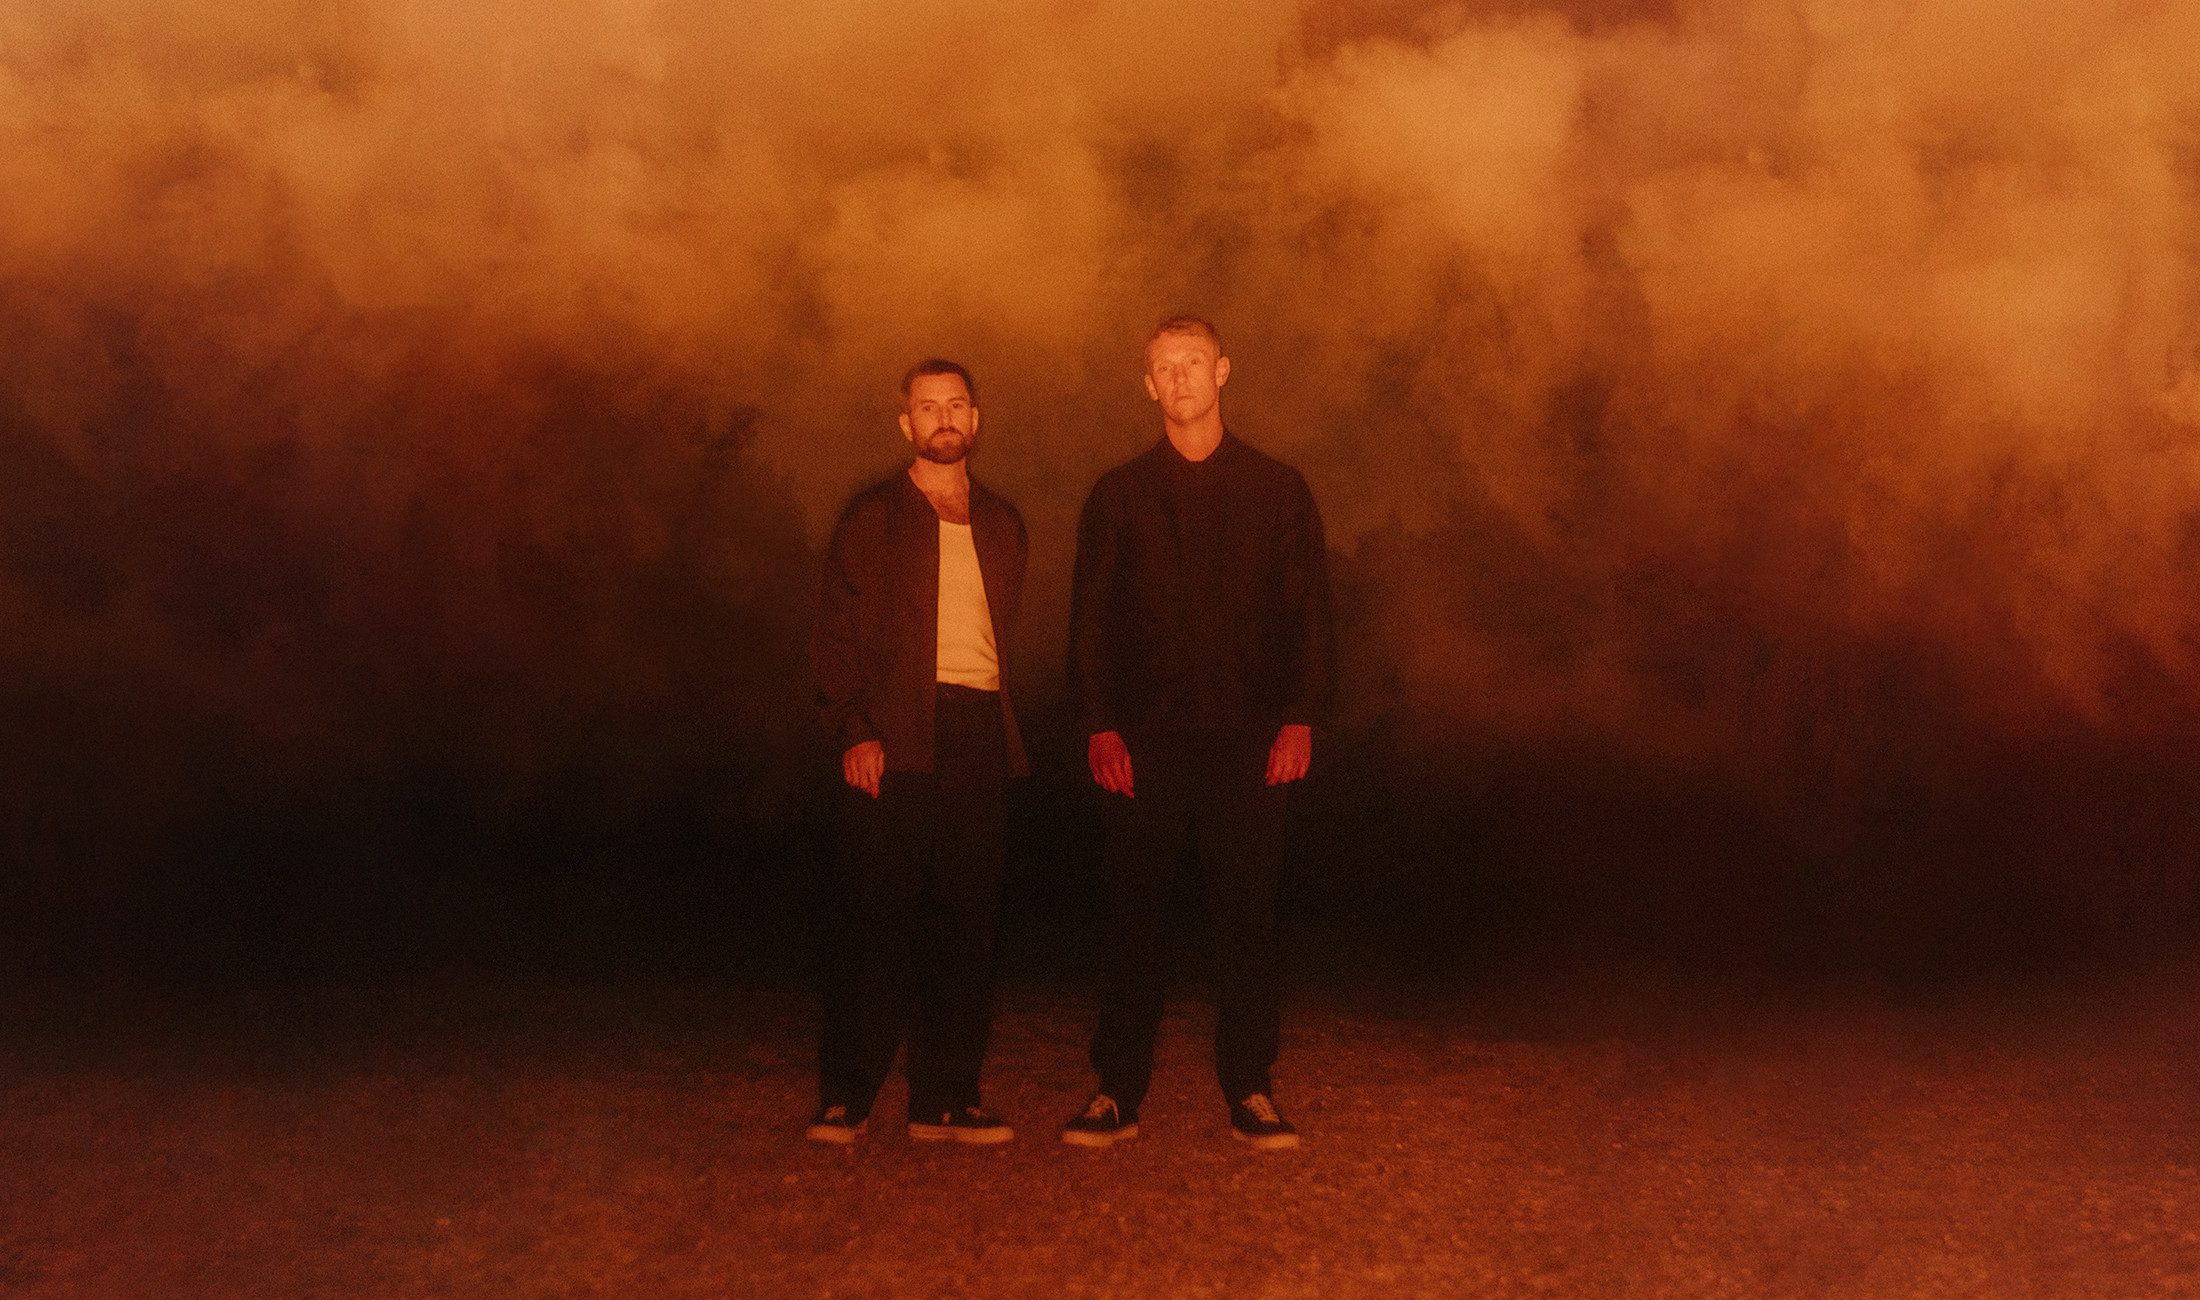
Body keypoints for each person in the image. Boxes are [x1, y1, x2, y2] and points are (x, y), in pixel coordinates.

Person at [1062, 316, 1335, 1150]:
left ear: (1223, 371)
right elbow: (1090, 620)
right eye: (1163, 366)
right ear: (1148, 386)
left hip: (1249, 738)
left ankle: (1250, 1085)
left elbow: (1310, 611)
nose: (1179, 377)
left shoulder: (1278, 488)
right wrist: (1098, 725)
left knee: (1247, 918)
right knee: (1132, 914)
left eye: (1193, 361)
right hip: (1143, 741)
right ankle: (1117, 1089)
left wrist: (1301, 715)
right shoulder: (1119, 494)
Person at [806, 358, 1027, 1145]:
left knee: (967, 920)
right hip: (894, 730)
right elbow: (834, 632)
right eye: (927, 407)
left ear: (976, 419)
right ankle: (847, 1093)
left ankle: (946, 1096)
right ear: (906, 423)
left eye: (956, 405)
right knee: (876, 915)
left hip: (977, 730)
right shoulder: (873, 516)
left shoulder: (1002, 522)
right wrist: (854, 728)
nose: (943, 418)